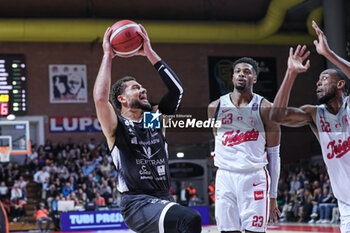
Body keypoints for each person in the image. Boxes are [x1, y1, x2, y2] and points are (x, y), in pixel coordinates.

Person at [93, 25, 201, 233]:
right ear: (122, 99)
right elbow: (99, 98)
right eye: (135, 87)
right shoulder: (118, 126)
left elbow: (177, 90)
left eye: (142, 86)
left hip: (163, 199)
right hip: (137, 203)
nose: (143, 89)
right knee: (190, 219)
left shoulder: (152, 120)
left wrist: (149, 52)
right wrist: (108, 55)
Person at [270, 21, 350, 233]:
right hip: (347, 204)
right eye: (317, 81)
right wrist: (290, 74)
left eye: (324, 79)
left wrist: (329, 54)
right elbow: (277, 116)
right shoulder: (315, 114)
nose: (318, 84)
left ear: (340, 84)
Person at [208, 57, 281, 232]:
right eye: (238, 71)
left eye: (247, 72)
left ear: (254, 78)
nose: (242, 74)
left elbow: (274, 154)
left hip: (254, 177)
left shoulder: (265, 108)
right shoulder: (215, 107)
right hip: (225, 177)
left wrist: (273, 196)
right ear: (232, 77)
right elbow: (218, 140)